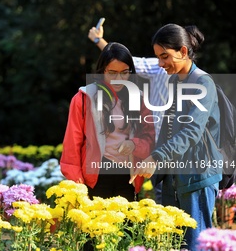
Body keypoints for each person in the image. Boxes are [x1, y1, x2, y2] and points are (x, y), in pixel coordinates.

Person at [131, 23, 222, 251]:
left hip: (197, 178)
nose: (160, 64)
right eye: (157, 58)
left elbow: (191, 131)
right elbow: (167, 128)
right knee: (174, 245)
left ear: (183, 51)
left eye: (165, 57)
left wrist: (156, 158)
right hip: (173, 180)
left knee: (195, 245)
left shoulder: (203, 83)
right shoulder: (173, 82)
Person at [60, 42, 155, 202]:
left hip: (128, 176)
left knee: (126, 225)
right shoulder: (84, 98)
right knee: (98, 226)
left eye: (124, 73)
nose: (119, 79)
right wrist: (77, 185)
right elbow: (72, 145)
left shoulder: (139, 99)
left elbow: (150, 137)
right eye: (112, 73)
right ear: (102, 71)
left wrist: (134, 144)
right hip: (95, 176)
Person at [88, 24, 167, 203]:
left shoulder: (196, 80)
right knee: (162, 194)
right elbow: (123, 61)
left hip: (169, 146)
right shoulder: (159, 67)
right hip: (156, 144)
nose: (163, 61)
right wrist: (99, 40)